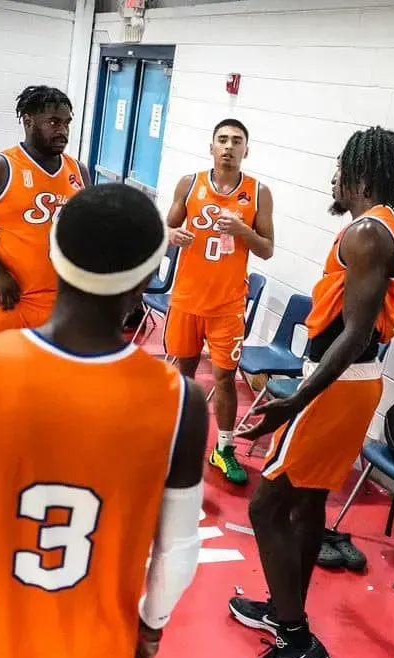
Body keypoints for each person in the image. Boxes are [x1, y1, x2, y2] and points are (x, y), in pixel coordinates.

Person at [0, 183, 208, 658]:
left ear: (53, 255)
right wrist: (150, 626)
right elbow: (180, 549)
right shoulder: (183, 403)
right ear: (149, 275)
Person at [229, 126, 394, 658]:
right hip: (350, 383)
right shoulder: (379, 229)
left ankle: (297, 642)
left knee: (265, 506)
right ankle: (285, 608)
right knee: (307, 503)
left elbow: (357, 332)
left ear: (361, 172)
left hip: (339, 386)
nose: (333, 177)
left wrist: (293, 403)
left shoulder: (366, 234)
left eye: (339, 168)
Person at [164, 118, 275, 486]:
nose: (229, 146)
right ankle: (178, 436)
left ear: (247, 149)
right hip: (187, 299)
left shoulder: (259, 192)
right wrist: (172, 235)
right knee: (184, 372)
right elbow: (166, 228)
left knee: (225, 379)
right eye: (222, 140)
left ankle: (223, 448)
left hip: (228, 304)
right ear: (211, 146)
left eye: (236, 141)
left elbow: (268, 250)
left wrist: (244, 231)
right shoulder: (189, 183)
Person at [0, 84, 92, 339]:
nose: (63, 131)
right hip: (6, 293)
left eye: (67, 123)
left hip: (56, 298)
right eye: (53, 122)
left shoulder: (79, 171)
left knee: (42, 377)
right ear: (28, 122)